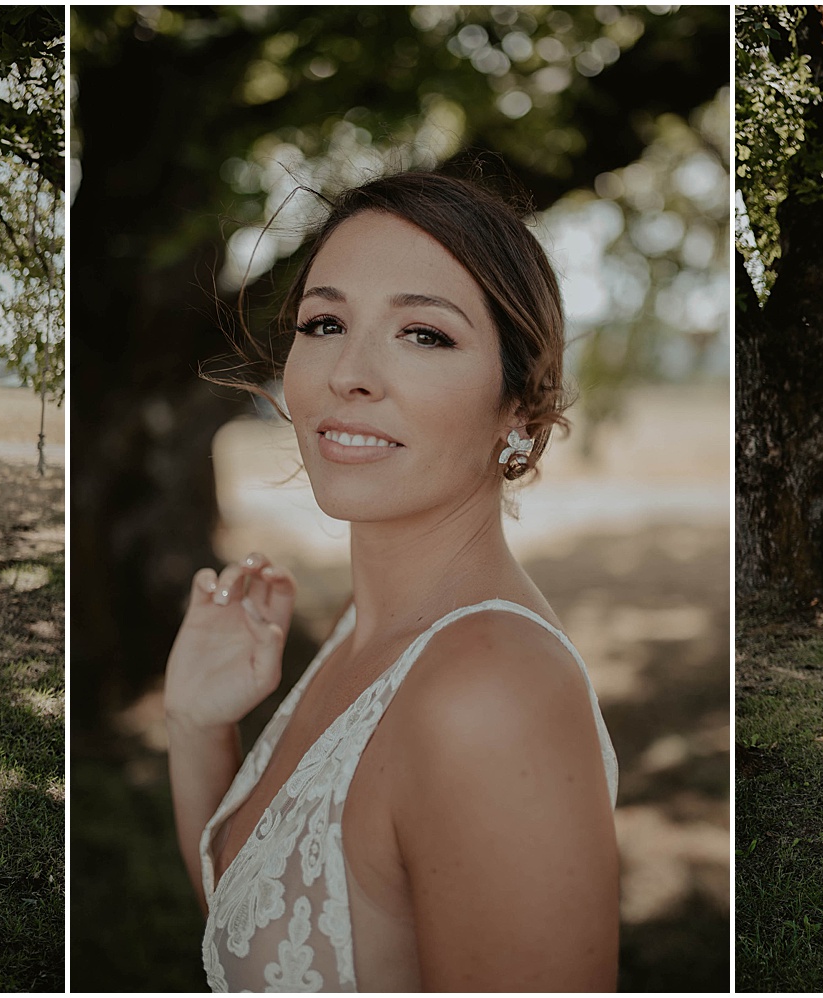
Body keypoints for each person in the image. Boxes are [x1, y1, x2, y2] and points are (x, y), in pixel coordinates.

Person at [162, 172, 621, 991]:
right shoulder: (369, 627)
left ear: (521, 405)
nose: (350, 372)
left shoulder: (492, 693)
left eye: (424, 335)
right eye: (326, 323)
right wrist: (198, 727)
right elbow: (259, 943)